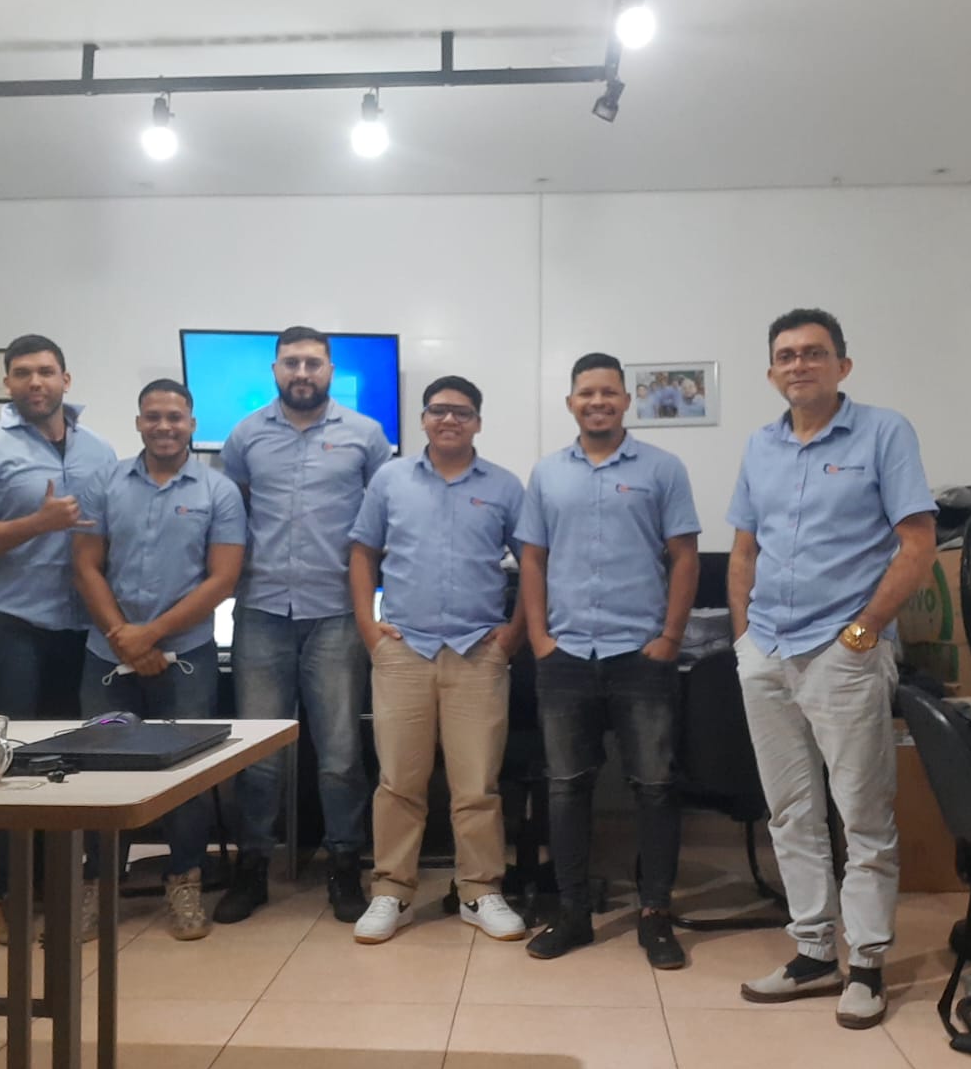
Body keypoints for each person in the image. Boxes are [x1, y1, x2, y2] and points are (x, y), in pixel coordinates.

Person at [727, 307, 936, 1030]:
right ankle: (814, 952)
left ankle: (868, 963)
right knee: (791, 812)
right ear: (771, 372)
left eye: (814, 352)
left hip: (842, 654)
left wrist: (864, 631)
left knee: (863, 814)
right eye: (786, 355)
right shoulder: (759, 446)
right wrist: (743, 638)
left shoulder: (884, 433)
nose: (799, 364)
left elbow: (918, 543)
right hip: (767, 651)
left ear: (842, 365)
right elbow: (744, 549)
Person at [516, 352, 700, 969]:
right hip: (565, 653)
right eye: (586, 393)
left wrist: (670, 638)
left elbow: (684, 556)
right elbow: (533, 559)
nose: (597, 402)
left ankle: (655, 914)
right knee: (566, 788)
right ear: (571, 403)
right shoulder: (547, 474)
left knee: (655, 787)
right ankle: (573, 913)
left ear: (626, 401)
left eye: (609, 392)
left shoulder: (663, 468)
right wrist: (539, 638)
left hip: (640, 653)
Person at [214, 326, 392, 925]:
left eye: (313, 363)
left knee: (340, 753)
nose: (302, 373)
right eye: (291, 363)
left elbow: (385, 518)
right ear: (275, 370)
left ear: (330, 370)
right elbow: (232, 512)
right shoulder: (244, 436)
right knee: (258, 753)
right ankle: (253, 868)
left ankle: (344, 866)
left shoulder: (366, 435)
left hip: (338, 613)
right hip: (261, 610)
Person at [0, 334, 117, 944]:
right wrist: (36, 524)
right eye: (22, 373)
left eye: (45, 371)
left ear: (67, 380)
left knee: (70, 762)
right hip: (10, 628)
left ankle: (61, 885)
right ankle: (8, 892)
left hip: (82, 632)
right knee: (2, 763)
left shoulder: (101, 451)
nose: (35, 382)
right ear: (8, 384)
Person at [347, 375, 527, 944]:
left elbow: (533, 563)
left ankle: (479, 890)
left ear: (478, 422)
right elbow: (362, 552)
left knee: (477, 784)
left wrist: (514, 635)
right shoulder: (390, 479)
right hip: (404, 651)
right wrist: (369, 630)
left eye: (462, 412)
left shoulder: (504, 486)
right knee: (399, 781)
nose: (450, 420)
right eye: (439, 410)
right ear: (423, 419)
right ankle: (391, 892)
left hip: (478, 653)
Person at [72, 379, 246, 940]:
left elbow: (223, 579)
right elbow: (86, 565)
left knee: (186, 775)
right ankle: (97, 886)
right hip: (107, 653)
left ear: (192, 423)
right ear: (139, 423)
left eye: (175, 417)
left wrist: (150, 636)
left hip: (186, 655)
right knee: (100, 769)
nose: (164, 426)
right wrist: (122, 636)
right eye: (153, 416)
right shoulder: (104, 483)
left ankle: (184, 881)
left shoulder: (219, 491)